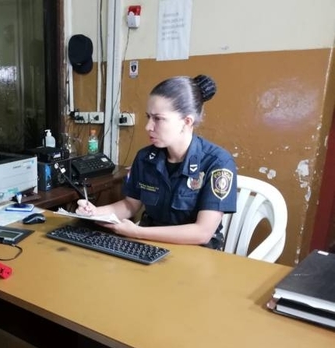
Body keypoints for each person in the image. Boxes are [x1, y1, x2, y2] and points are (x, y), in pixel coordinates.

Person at [76, 75, 237, 249]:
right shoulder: (145, 158)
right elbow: (131, 205)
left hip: (195, 252)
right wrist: (95, 212)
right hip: (148, 245)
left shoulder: (217, 162)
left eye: (158, 119)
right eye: (148, 117)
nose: (148, 127)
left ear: (187, 121)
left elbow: (202, 233)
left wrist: (136, 232)